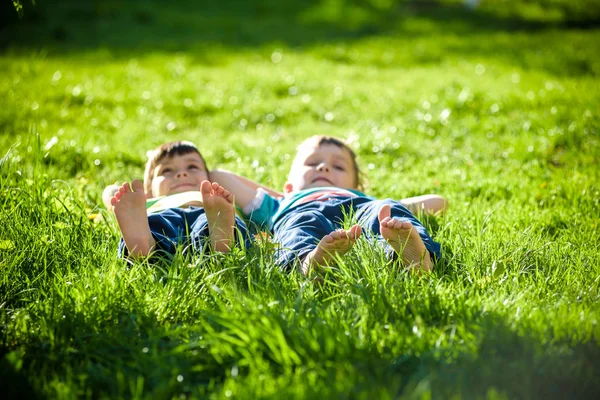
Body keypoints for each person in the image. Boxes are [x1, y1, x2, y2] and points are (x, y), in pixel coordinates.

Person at [210, 136, 444, 275]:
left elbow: (439, 202)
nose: (324, 168)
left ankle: (412, 256)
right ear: (288, 185)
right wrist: (287, 196)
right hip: (300, 211)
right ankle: (309, 262)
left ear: (355, 186)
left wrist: (394, 210)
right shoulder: (279, 203)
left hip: (357, 209)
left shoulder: (368, 202)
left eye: (339, 167)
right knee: (300, 225)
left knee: (387, 211)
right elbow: (218, 175)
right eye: (312, 163)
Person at [107, 141, 250, 260]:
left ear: (209, 179)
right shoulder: (147, 204)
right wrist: (114, 194)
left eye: (192, 167)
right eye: (167, 170)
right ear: (149, 193)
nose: (182, 173)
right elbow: (112, 196)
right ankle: (144, 243)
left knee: (219, 223)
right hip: (163, 213)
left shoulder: (219, 201)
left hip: (208, 212)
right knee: (154, 224)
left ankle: (220, 237)